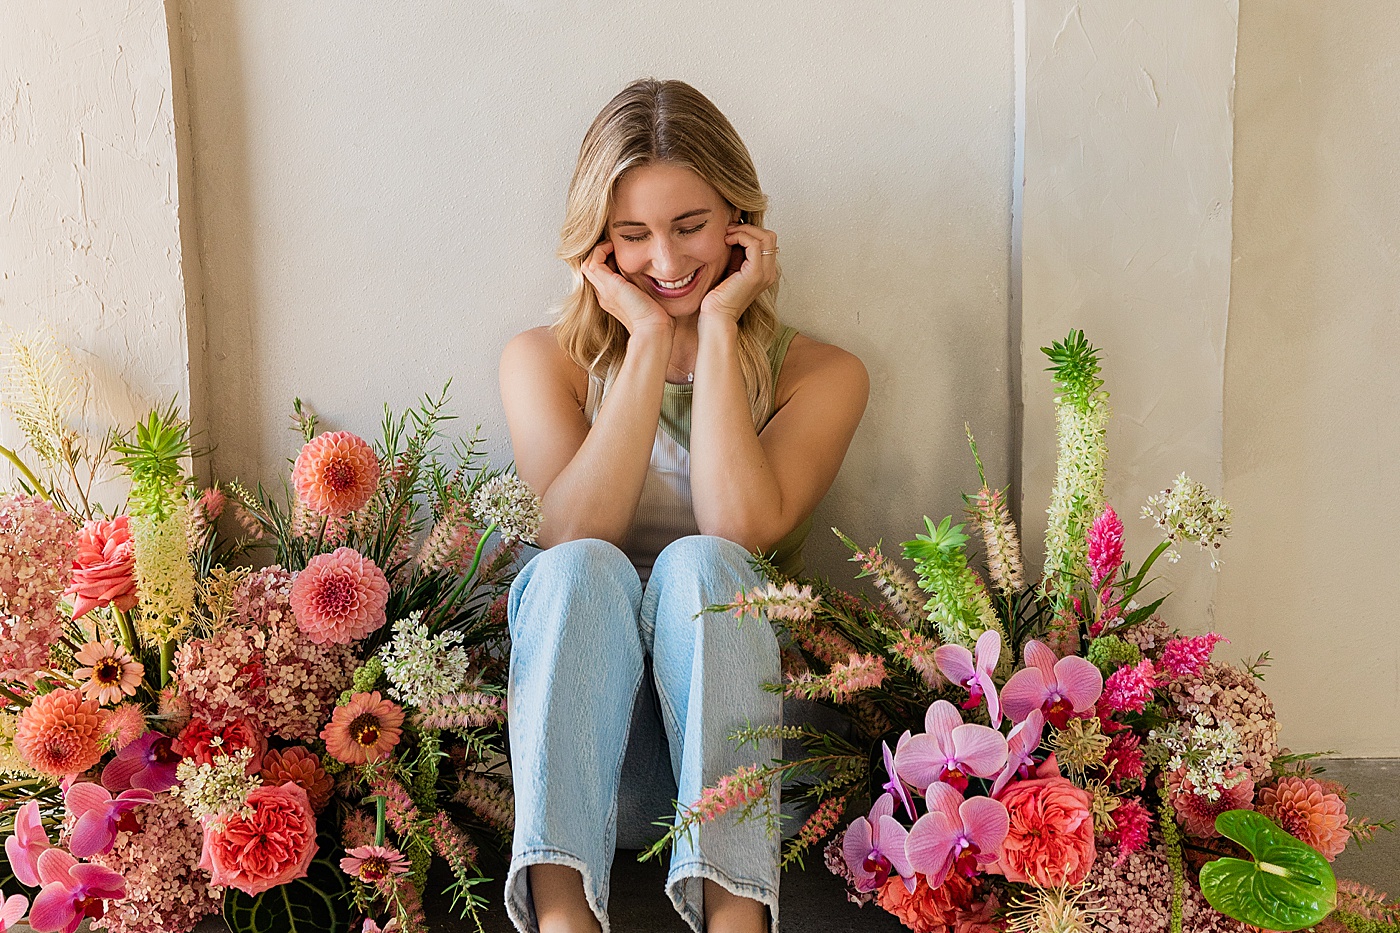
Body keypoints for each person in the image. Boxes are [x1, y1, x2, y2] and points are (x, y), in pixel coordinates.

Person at [498, 78, 868, 933]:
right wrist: (651, 339)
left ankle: (738, 920)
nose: (664, 262)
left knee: (702, 561)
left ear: (741, 220)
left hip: (736, 746)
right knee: (582, 566)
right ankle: (563, 921)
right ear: (599, 244)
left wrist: (722, 331)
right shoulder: (540, 361)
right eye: (633, 237)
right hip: (586, 754)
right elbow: (569, 534)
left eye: (690, 227)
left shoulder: (821, 372)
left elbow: (741, 528)